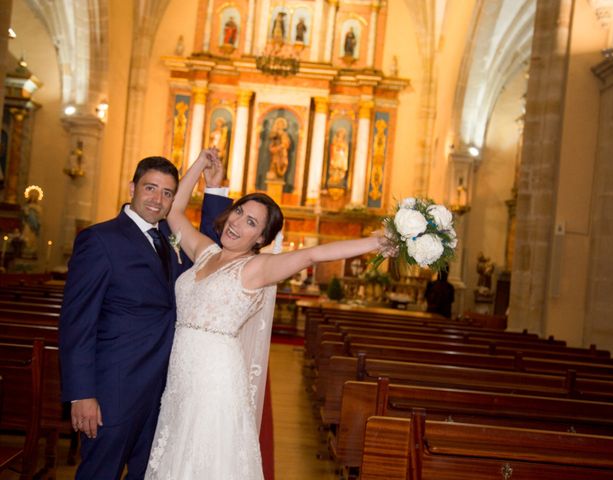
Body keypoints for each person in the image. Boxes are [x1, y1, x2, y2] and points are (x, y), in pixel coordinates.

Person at [145, 148, 390, 479]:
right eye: (239, 212)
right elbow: (173, 210)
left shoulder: (256, 268)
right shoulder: (205, 252)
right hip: (181, 374)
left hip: (214, 378)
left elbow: (313, 255)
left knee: (205, 457)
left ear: (261, 238)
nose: (236, 223)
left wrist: (375, 242)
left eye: (250, 223)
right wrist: (200, 165)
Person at [58, 156, 231, 479]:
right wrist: (81, 393)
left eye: (167, 193)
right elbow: (77, 323)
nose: (158, 199)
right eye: (150, 188)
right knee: (101, 473)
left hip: (163, 391)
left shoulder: (168, 237)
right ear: (132, 188)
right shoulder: (100, 240)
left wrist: (215, 188)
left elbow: (208, 251)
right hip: (115, 390)